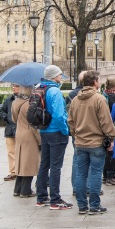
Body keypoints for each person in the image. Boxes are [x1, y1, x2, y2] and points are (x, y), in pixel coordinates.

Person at [68, 71, 115, 215]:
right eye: (99, 80)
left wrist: (75, 134)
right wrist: (111, 138)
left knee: (81, 174)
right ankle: (94, 205)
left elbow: (70, 122)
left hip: (80, 143)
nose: (100, 82)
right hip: (96, 143)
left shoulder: (76, 100)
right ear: (94, 82)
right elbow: (106, 122)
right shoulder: (99, 99)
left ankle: (82, 205)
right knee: (95, 174)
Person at [36, 65, 72, 210]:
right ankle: (55, 200)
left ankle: (41, 197)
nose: (61, 76)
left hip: (44, 131)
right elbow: (58, 115)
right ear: (53, 76)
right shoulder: (55, 91)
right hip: (56, 131)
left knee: (44, 164)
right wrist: (65, 130)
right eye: (59, 74)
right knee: (56, 166)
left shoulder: (40, 88)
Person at [11, 85, 40, 197]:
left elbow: (14, 119)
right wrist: (39, 139)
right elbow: (33, 124)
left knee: (20, 162)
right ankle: (26, 190)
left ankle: (17, 189)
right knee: (29, 163)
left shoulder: (15, 102)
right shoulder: (29, 104)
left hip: (19, 133)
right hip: (29, 135)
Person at [68, 71, 88, 197]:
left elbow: (68, 116)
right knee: (89, 162)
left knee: (77, 159)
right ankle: (87, 187)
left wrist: (73, 131)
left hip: (77, 132)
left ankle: (76, 187)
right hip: (89, 134)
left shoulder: (71, 94)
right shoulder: (96, 96)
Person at [102, 77, 115, 186]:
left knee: (106, 153)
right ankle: (110, 175)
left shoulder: (104, 95)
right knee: (112, 153)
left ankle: (105, 175)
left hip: (104, 127)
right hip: (113, 127)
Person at [0, 83, 19, 181]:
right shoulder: (8, 100)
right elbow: (2, 111)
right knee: (11, 151)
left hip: (21, 129)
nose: (13, 87)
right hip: (10, 129)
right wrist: (6, 118)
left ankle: (21, 171)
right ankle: (13, 172)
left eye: (16, 86)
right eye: (13, 86)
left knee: (21, 151)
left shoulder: (25, 100)